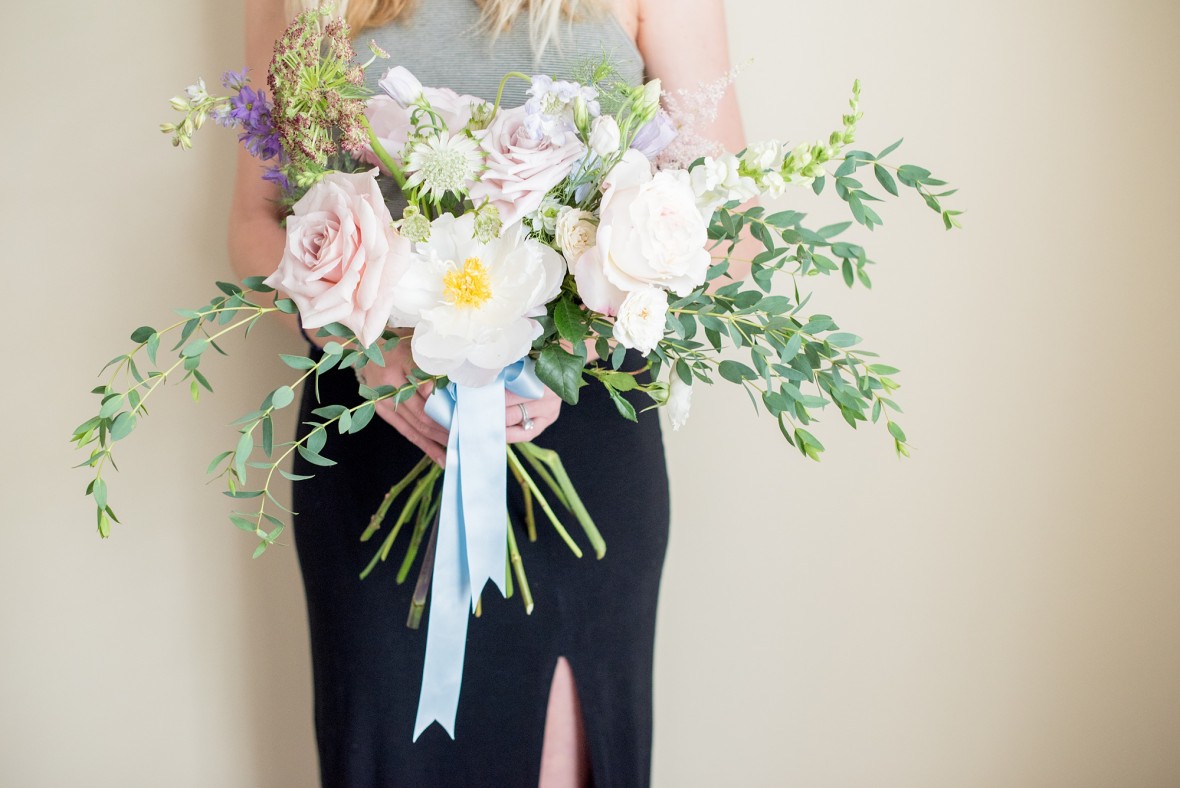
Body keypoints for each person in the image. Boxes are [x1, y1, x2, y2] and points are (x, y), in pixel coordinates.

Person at [228, 1, 746, 785]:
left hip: (579, 436)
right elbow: (254, 224)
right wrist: (368, 352)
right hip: (376, 428)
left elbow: (728, 226)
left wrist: (574, 345)